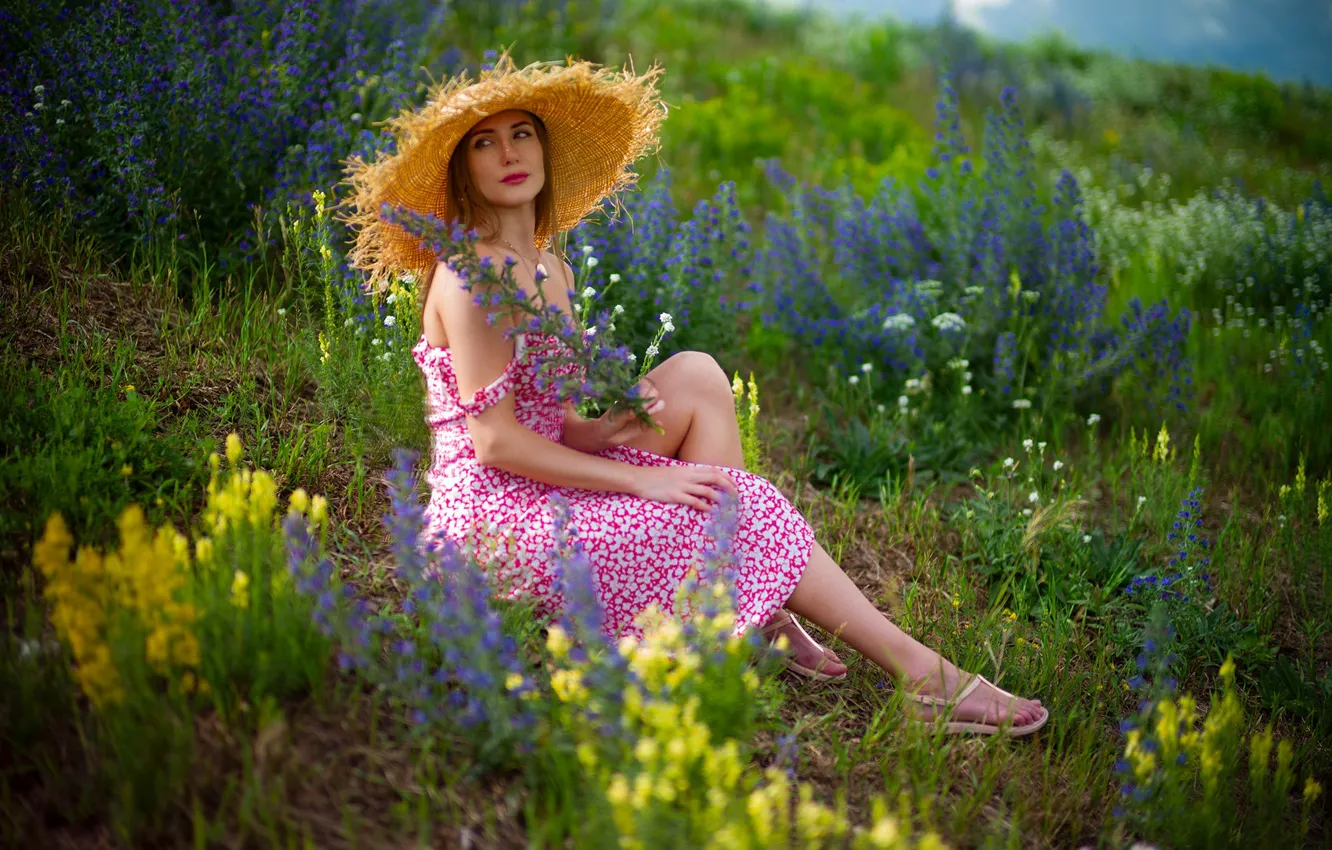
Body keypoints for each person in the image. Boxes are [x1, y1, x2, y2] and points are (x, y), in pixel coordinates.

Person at [341, 50, 1047, 735]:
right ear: (464, 171)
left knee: (700, 376)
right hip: (492, 527)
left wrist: (600, 430)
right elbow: (493, 443)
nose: (508, 153)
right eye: (484, 144)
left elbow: (550, 421)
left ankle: (751, 609)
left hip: (539, 478)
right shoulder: (471, 277)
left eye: (521, 133)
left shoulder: (551, 269)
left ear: (545, 149)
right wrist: (637, 481)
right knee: (741, 504)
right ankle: (924, 680)